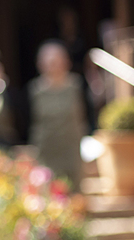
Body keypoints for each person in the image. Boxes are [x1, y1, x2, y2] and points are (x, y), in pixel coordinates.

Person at [28, 40, 89, 188]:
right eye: (49, 62)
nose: (53, 65)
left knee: (74, 190)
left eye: (56, 61)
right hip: (47, 149)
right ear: (40, 64)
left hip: (71, 148)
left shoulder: (77, 85)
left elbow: (87, 115)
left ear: (66, 62)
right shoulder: (34, 90)